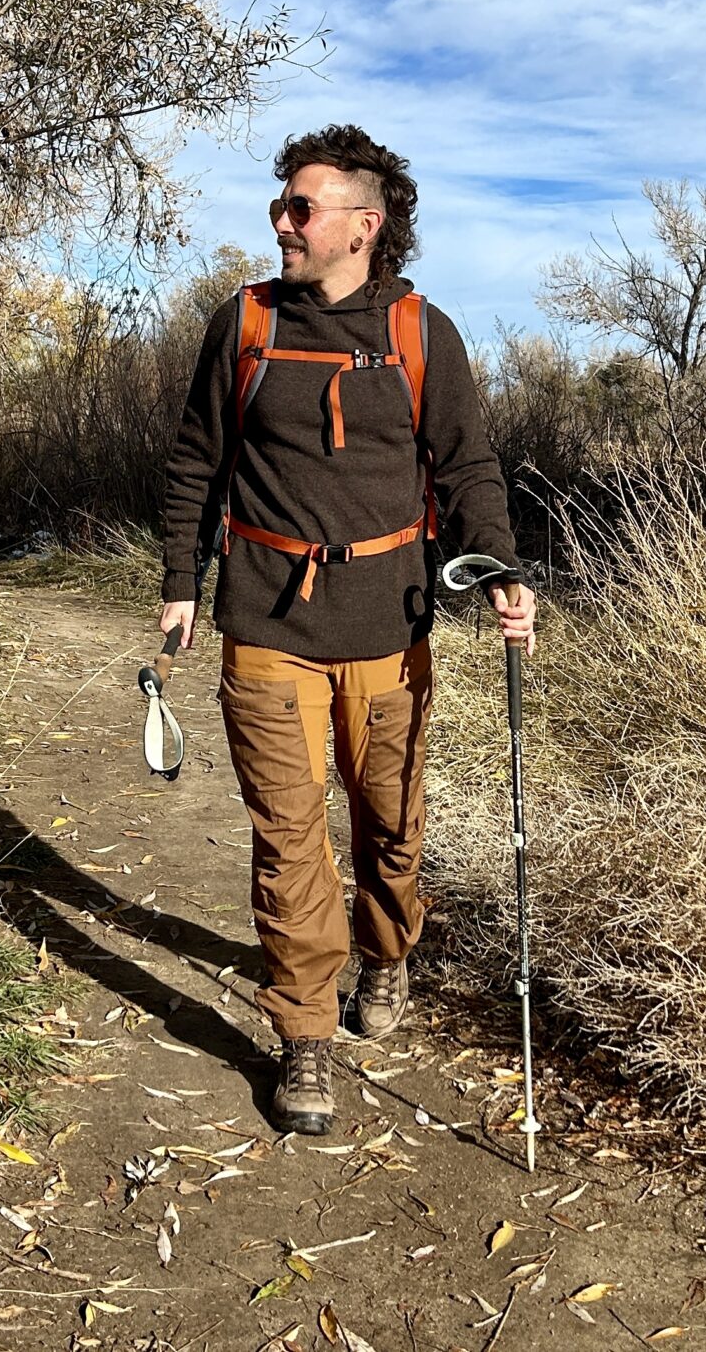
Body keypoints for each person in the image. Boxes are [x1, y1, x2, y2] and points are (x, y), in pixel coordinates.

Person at [158, 123, 536, 1136]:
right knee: (289, 843)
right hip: (265, 621)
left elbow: (464, 470)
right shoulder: (241, 324)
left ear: (362, 226)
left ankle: (386, 954)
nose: (280, 223)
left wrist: (497, 567)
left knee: (391, 834)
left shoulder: (421, 333)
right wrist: (180, 579)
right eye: (281, 206)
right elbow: (197, 461)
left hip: (390, 625)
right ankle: (305, 1035)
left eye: (300, 208)